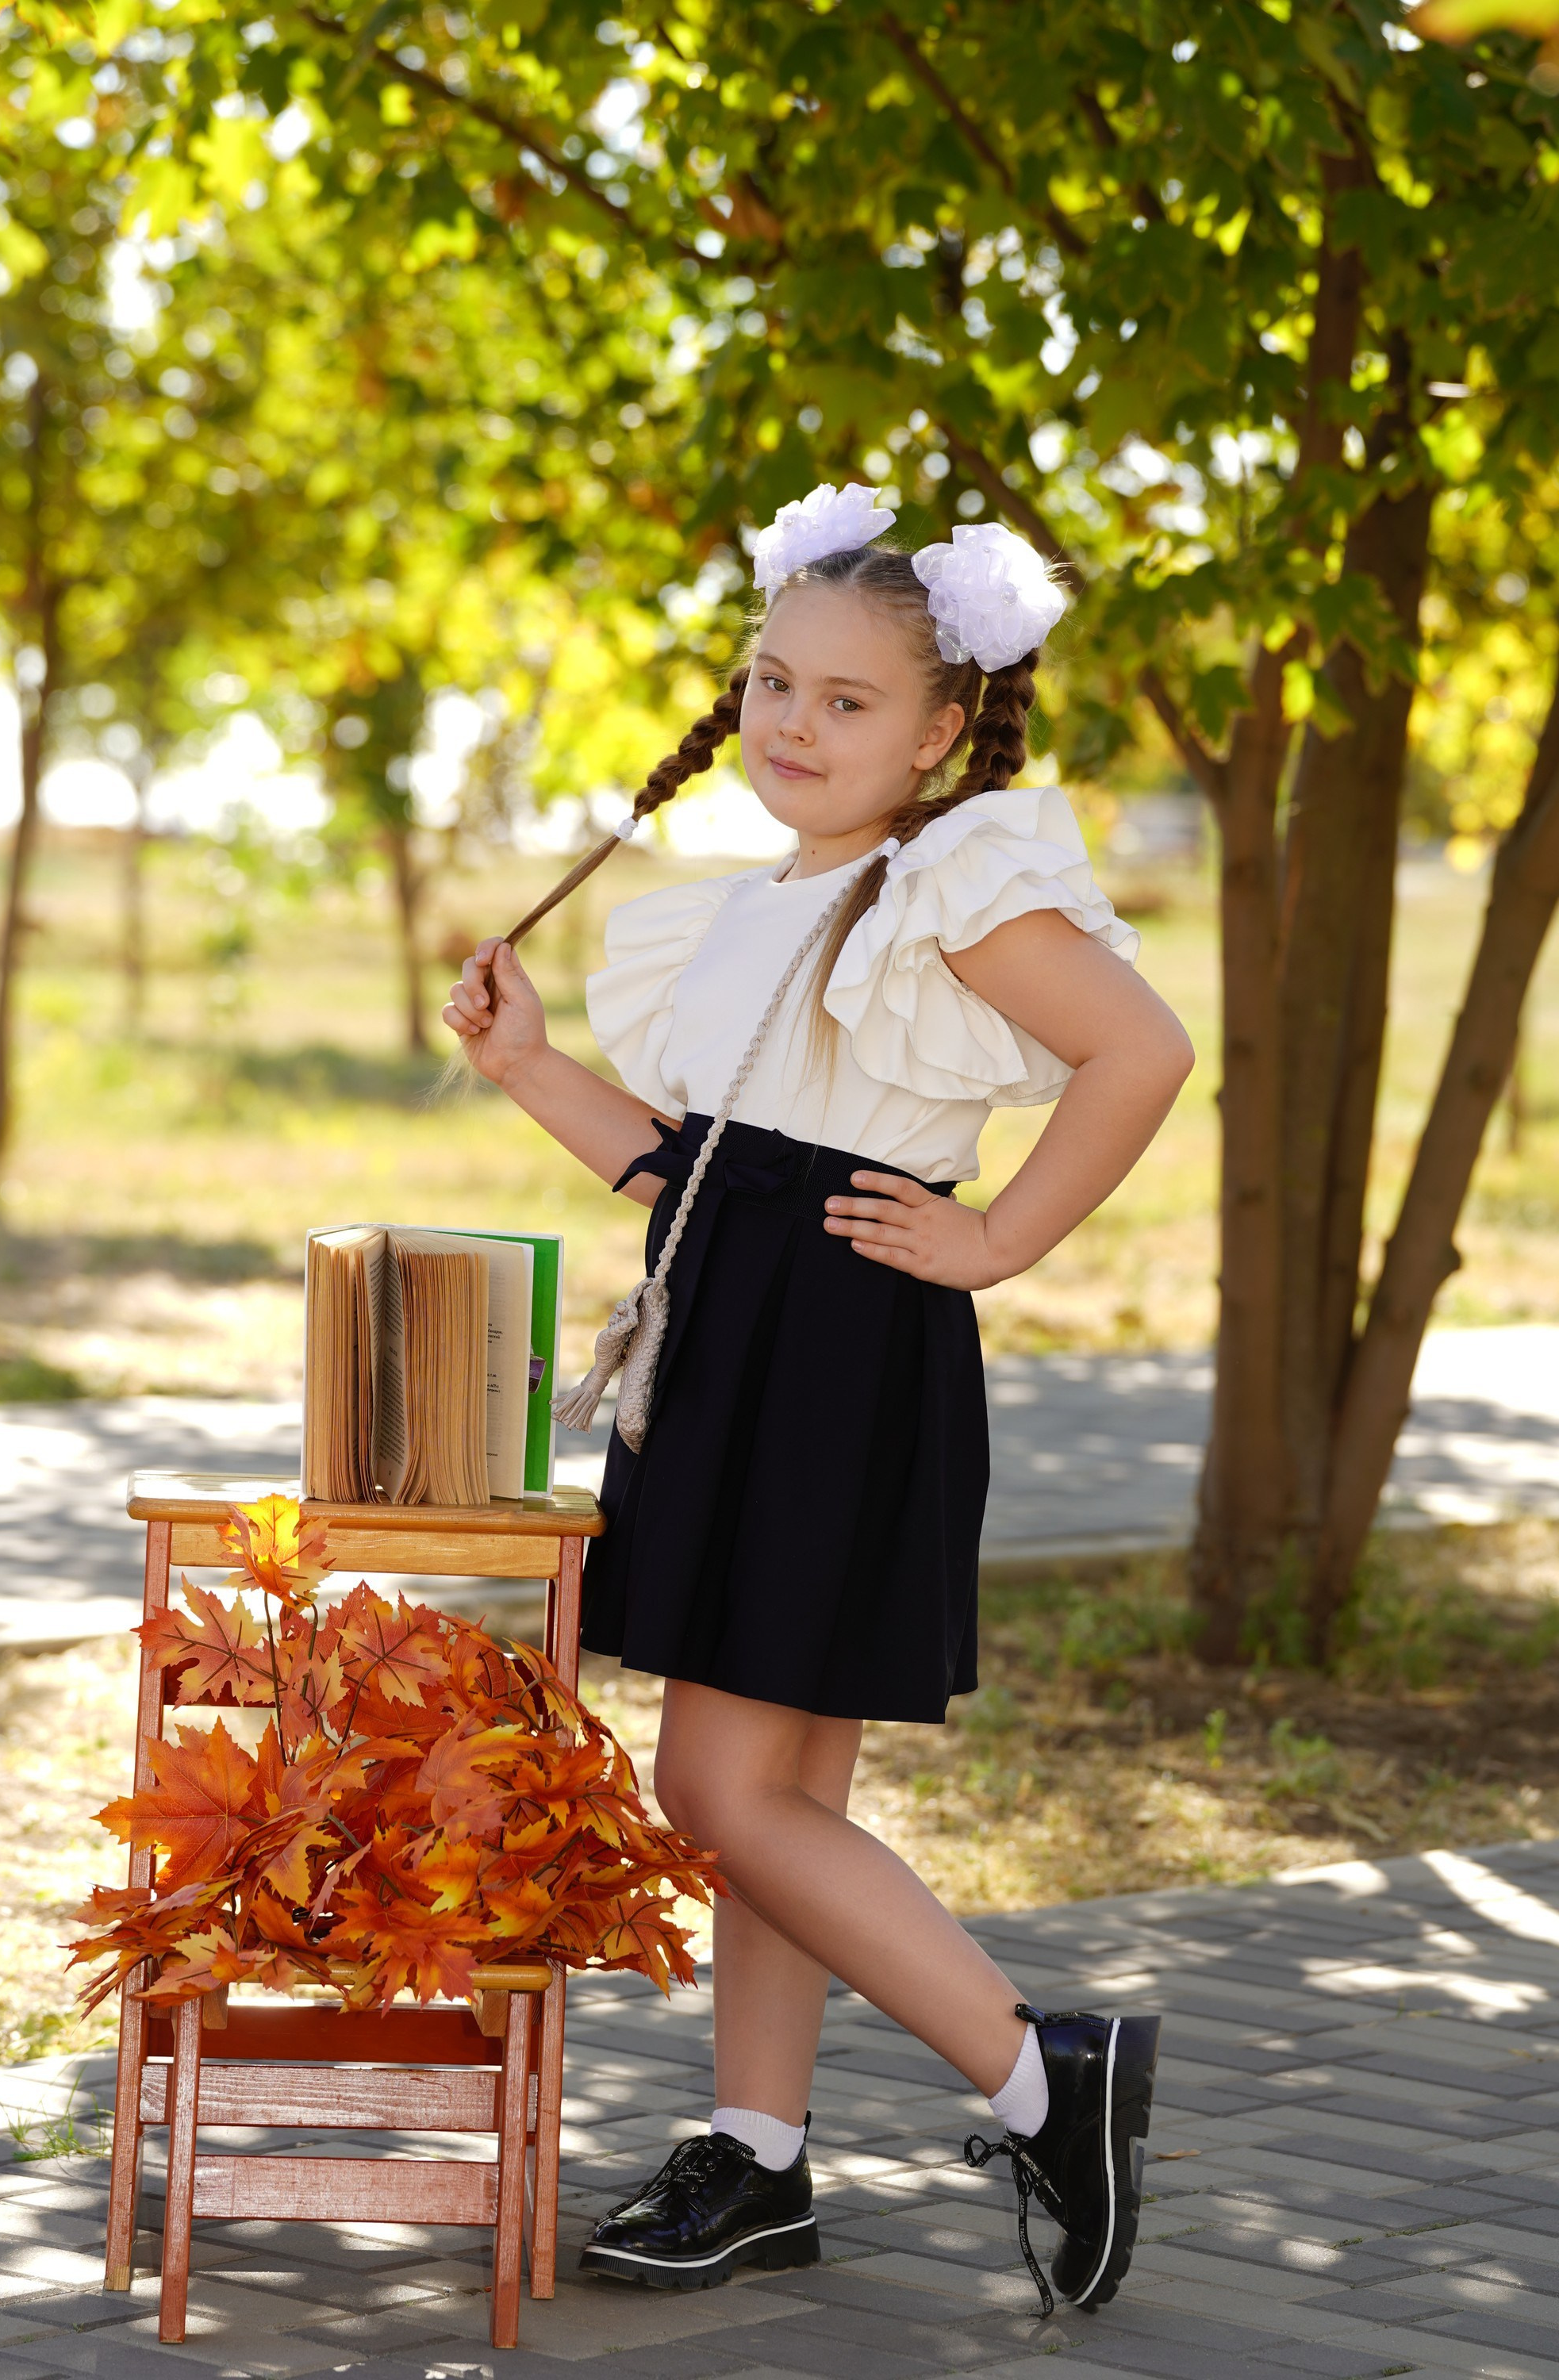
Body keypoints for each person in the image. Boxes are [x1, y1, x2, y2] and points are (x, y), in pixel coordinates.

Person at [444, 485, 1194, 2317]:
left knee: (715, 1785)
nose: (793, 722)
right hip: (738, 1324)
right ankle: (761, 2157)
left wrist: (1002, 1236)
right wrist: (532, 1066)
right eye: (776, 680)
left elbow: (1143, 1047)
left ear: (942, 730)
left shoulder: (940, 883)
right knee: (778, 1789)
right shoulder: (759, 904)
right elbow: (688, 1172)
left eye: (848, 701)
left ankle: (1041, 2076)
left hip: (841, 1356)